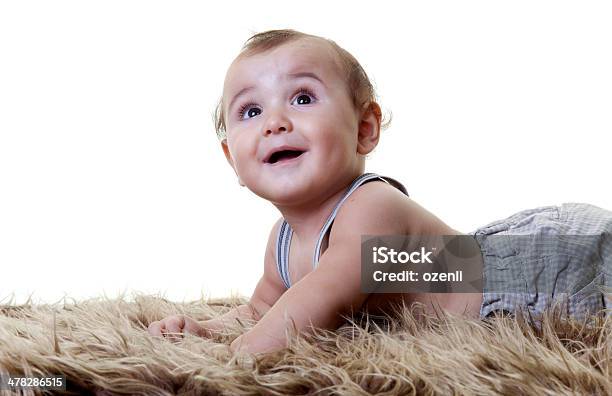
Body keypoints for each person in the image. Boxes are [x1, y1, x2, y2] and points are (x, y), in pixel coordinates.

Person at [148, 29, 612, 354]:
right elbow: (264, 308)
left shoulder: (370, 207)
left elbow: (322, 298)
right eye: (250, 110)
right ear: (232, 158)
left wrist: (244, 354)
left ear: (364, 130)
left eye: (303, 98)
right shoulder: (282, 242)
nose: (275, 122)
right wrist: (205, 330)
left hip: (538, 272)